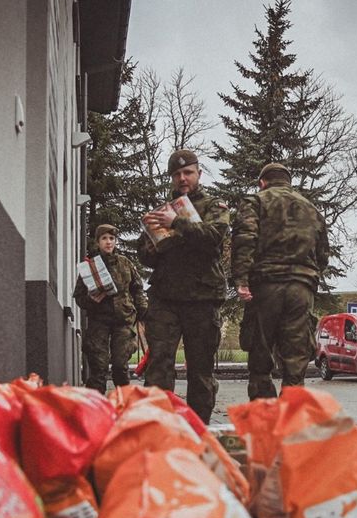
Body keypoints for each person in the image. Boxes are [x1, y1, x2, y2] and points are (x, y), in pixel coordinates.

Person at [138, 149, 231, 423]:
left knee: (200, 371)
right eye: (177, 174)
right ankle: (158, 428)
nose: (182, 178)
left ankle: (198, 430)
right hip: (166, 298)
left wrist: (177, 223)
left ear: (198, 174)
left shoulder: (215, 206)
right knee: (159, 367)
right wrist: (154, 237)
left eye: (188, 172)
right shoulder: (162, 211)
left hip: (202, 298)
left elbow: (214, 237)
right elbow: (145, 255)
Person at [231, 162, 329, 400]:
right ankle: (291, 423)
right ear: (288, 181)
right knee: (296, 361)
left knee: (260, 357)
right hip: (301, 289)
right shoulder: (311, 209)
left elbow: (245, 239)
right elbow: (323, 254)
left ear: (262, 182)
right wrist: (307, 277)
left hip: (266, 286)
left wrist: (241, 279)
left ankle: (264, 419)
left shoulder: (255, 201)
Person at [73, 224, 147, 395]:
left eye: (111, 238)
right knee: (98, 367)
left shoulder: (125, 263)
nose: (108, 242)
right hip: (99, 320)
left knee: (121, 366)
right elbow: (79, 297)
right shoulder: (90, 267)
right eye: (104, 238)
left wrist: (142, 309)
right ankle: (95, 407)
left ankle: (125, 404)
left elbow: (137, 288)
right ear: (98, 242)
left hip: (123, 320)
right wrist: (91, 300)